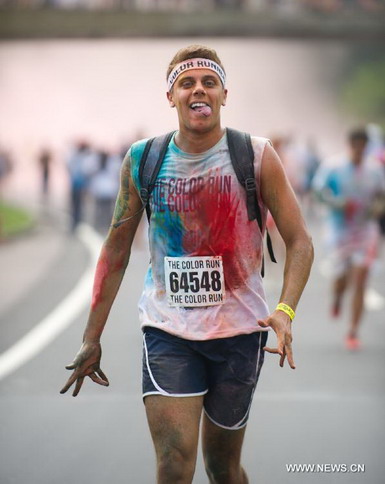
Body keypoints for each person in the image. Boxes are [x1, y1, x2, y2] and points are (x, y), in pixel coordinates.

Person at [60, 45, 314, 483]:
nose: (199, 90)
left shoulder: (255, 155)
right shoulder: (143, 159)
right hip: (168, 330)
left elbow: (300, 242)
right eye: (187, 83)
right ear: (171, 97)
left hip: (240, 333)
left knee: (222, 467)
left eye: (209, 82)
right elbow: (116, 249)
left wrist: (286, 311)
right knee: (175, 464)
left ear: (223, 94)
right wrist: (91, 336)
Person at [312, 128, 385, 350]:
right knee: (342, 278)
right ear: (350, 145)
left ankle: (353, 331)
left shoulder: (374, 169)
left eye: (363, 146)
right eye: (356, 146)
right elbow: (318, 191)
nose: (359, 151)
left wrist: (376, 209)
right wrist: (337, 203)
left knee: (361, 277)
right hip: (339, 230)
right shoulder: (334, 167)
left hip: (365, 230)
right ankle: (337, 297)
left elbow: (381, 196)